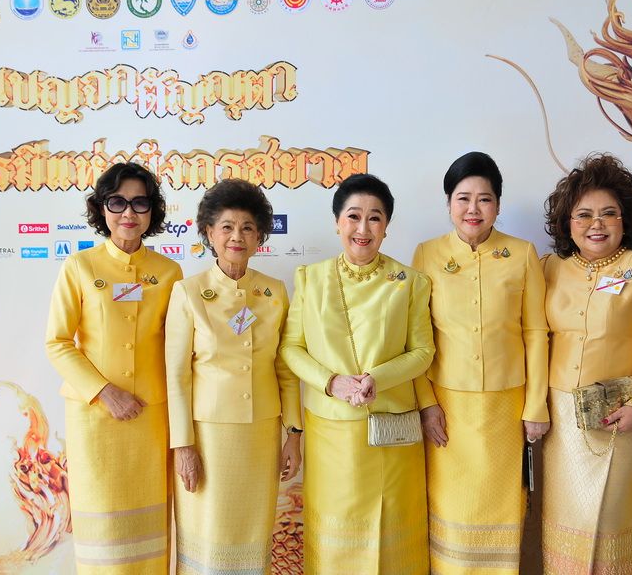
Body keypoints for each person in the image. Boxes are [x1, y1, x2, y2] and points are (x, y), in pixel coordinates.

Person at [280, 174, 435, 574]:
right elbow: (291, 348)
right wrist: (331, 382)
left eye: (375, 218)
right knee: (337, 541)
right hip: (331, 432)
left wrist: (378, 378)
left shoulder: (410, 281)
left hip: (390, 431)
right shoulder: (310, 278)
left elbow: (423, 352)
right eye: (353, 216)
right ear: (337, 222)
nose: (363, 228)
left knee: (392, 537)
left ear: (386, 226)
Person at [541, 154, 632, 574]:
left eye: (609, 213)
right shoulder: (550, 269)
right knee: (562, 531)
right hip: (560, 422)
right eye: (583, 214)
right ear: (567, 222)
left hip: (620, 417)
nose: (597, 224)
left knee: (608, 530)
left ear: (626, 219)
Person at [411, 151, 549, 574]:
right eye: (463, 198)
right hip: (447, 407)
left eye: (484, 199)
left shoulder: (523, 253)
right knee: (452, 510)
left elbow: (535, 333)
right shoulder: (426, 254)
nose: (473, 209)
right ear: (448, 203)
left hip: (506, 406)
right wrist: (426, 403)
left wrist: (536, 405)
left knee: (501, 507)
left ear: (498, 205)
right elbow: (416, 337)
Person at [45, 162, 182, 573]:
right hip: (95, 418)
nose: (128, 213)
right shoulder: (79, 266)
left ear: (153, 210)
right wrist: (105, 392)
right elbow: (57, 342)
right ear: (102, 208)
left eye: (140, 203)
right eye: (117, 202)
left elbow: (177, 346)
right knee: (104, 533)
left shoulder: (169, 272)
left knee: (149, 529)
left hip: (152, 418)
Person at [165, 179, 302, 574]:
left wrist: (294, 434)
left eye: (247, 227)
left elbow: (284, 369)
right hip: (207, 436)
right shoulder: (188, 292)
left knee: (252, 535)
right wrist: (183, 446)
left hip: (261, 433)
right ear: (209, 232)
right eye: (226, 226)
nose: (237, 236)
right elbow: (176, 375)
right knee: (209, 535)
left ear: (259, 236)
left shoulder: (275, 292)